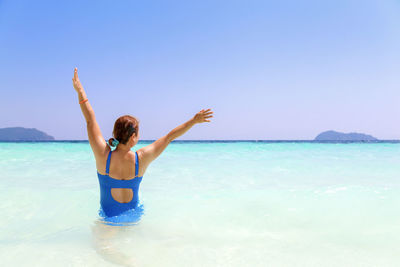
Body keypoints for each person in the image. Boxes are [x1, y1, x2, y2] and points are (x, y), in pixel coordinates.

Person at [72, 68, 213, 224]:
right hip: (135, 217)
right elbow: (169, 137)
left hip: (108, 218)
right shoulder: (141, 158)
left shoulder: (103, 156)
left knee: (106, 246)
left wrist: (80, 91)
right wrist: (193, 121)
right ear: (133, 137)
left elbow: (90, 120)